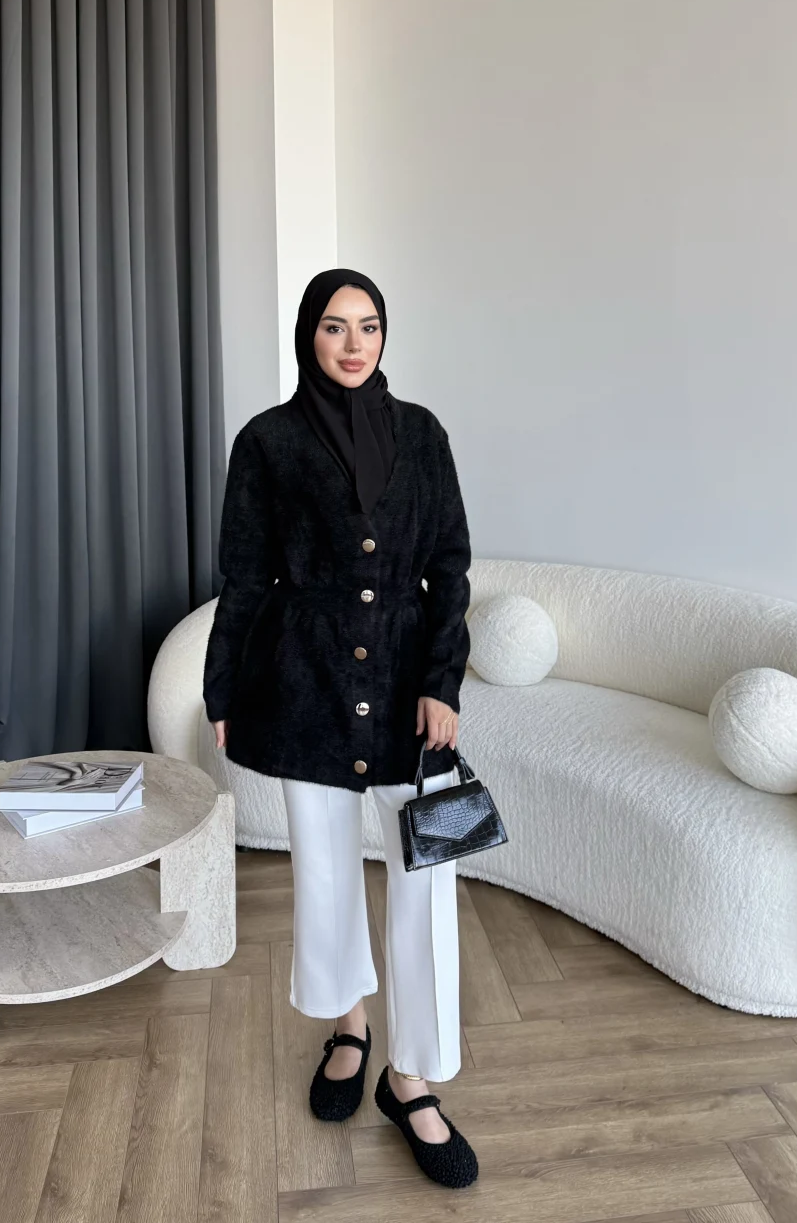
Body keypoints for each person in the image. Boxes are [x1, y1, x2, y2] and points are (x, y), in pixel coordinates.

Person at [203, 268, 477, 1189]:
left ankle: (413, 1076)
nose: (353, 344)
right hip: (305, 681)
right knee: (323, 869)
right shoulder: (267, 441)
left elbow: (450, 569)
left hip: (408, 690)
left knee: (425, 877)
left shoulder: (424, 435)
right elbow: (244, 577)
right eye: (333, 326)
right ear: (307, 336)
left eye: (368, 326)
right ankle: (348, 1026)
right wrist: (222, 687)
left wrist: (442, 682)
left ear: (385, 335)